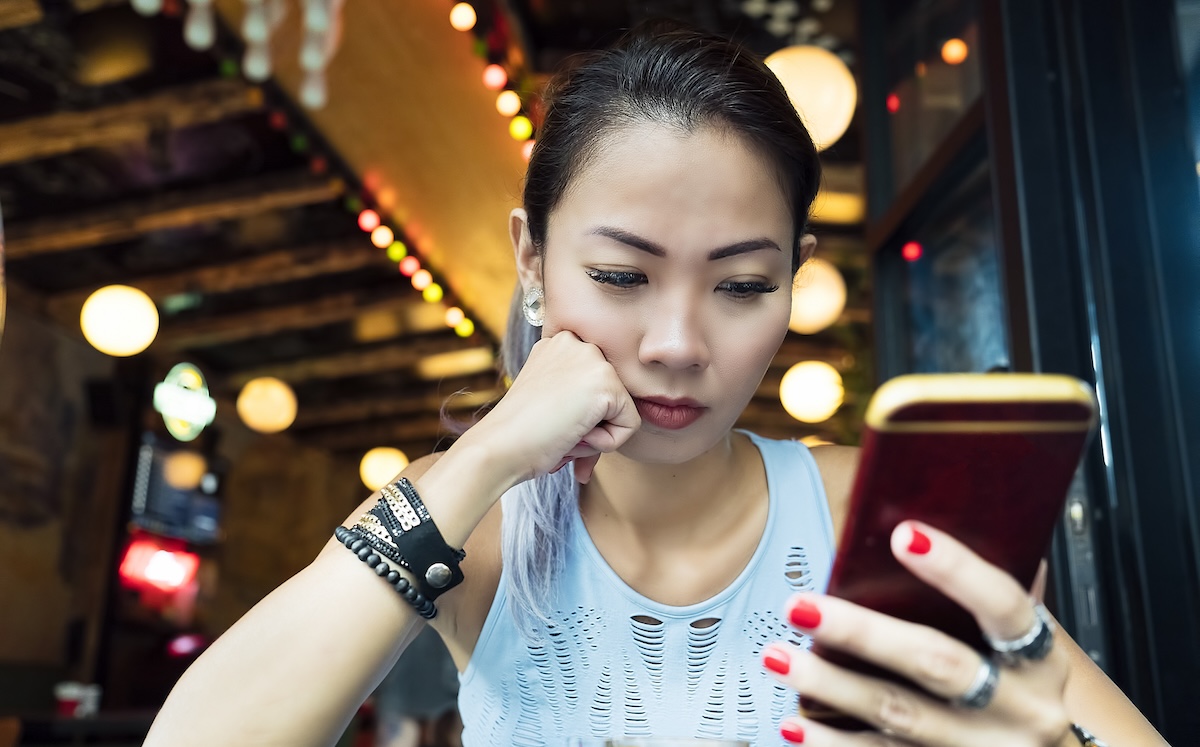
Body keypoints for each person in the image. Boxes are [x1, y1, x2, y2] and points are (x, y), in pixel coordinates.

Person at [145, 22, 1169, 747]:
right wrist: (490, 453)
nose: (678, 342)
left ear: (793, 279)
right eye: (622, 276)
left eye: (743, 284)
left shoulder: (875, 515)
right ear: (533, 263)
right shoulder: (483, 527)